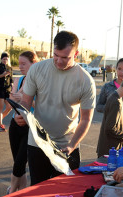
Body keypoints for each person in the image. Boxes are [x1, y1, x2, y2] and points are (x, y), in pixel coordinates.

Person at [15, 31, 96, 185]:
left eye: (65, 57)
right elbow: (25, 102)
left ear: (76, 53)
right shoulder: (37, 69)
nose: (59, 61)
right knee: (37, 192)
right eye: (55, 55)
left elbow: (86, 119)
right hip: (38, 143)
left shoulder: (86, 80)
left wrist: (72, 145)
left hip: (67, 145)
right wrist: (21, 115)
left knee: (66, 193)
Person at [8, 51, 39, 193]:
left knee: (20, 161)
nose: (20, 67)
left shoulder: (40, 82)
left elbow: (40, 106)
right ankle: (21, 190)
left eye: (23, 64)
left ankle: (12, 191)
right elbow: (13, 103)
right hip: (16, 123)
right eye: (19, 64)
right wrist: (15, 98)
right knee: (17, 163)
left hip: (30, 126)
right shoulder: (18, 80)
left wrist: (25, 99)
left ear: (34, 64)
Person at [96, 58, 123, 148]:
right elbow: (98, 107)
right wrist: (112, 108)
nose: (121, 72)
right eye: (119, 69)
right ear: (116, 69)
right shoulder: (107, 87)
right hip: (112, 129)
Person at [0, 52, 13, 132]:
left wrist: (12, 88)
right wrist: (3, 75)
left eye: (7, 59)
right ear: (1, 59)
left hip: (7, 90)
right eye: (4, 59)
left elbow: (11, 80)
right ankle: (0, 125)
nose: (5, 61)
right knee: (0, 107)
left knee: (9, 107)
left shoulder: (9, 68)